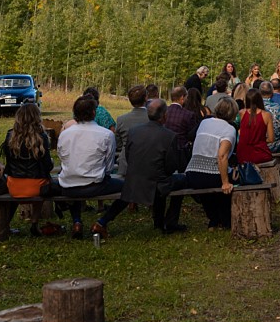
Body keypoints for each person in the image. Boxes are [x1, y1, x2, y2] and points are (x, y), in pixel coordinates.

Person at [93, 99, 187, 237]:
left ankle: (103, 221)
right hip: (158, 181)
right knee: (182, 180)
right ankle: (169, 222)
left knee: (130, 192)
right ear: (164, 116)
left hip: (135, 178)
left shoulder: (134, 131)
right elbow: (171, 165)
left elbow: (129, 154)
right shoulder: (169, 136)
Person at [56, 96, 120, 239]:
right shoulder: (106, 134)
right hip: (94, 184)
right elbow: (109, 166)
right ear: (93, 113)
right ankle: (102, 222)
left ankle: (77, 222)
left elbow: (63, 159)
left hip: (67, 184)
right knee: (130, 188)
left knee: (74, 179)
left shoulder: (64, 134)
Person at [1, 103, 54, 236]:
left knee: (33, 183)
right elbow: (47, 166)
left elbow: (8, 161)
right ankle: (34, 223)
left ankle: (5, 223)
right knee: (43, 183)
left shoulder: (10, 136)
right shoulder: (41, 136)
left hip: (14, 186)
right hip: (36, 187)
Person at [185, 97, 238, 230]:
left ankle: (213, 220)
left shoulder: (204, 122)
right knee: (231, 180)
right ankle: (225, 220)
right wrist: (225, 182)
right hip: (212, 174)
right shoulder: (229, 129)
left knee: (207, 190)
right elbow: (222, 155)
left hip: (192, 172)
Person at [115, 85, 149, 177]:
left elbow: (118, 144)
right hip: (148, 164)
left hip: (126, 164)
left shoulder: (121, 119)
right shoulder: (153, 118)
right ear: (146, 98)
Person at [236, 88, 275, 165]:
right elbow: (271, 139)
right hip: (260, 154)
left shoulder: (241, 113)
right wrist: (260, 140)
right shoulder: (266, 115)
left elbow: (239, 131)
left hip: (242, 154)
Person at [165, 86, 198, 170]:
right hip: (181, 152)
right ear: (182, 97)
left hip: (164, 150)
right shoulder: (188, 114)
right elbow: (192, 134)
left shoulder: (164, 111)